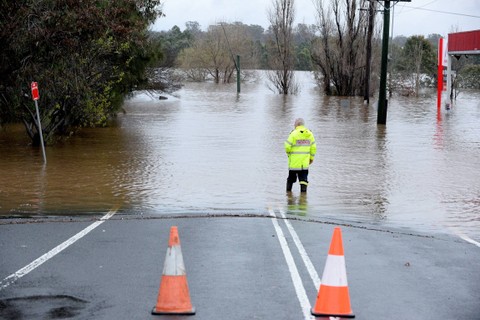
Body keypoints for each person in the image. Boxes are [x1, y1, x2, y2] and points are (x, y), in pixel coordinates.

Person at [284, 118, 316, 193]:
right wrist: (311, 158)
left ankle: (288, 197)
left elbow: (287, 146)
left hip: (294, 163)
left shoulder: (293, 133)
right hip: (304, 163)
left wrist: (289, 155)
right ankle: (303, 198)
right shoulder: (309, 134)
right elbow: (313, 148)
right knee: (303, 180)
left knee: (291, 179)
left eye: (294, 124)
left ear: (297, 124)